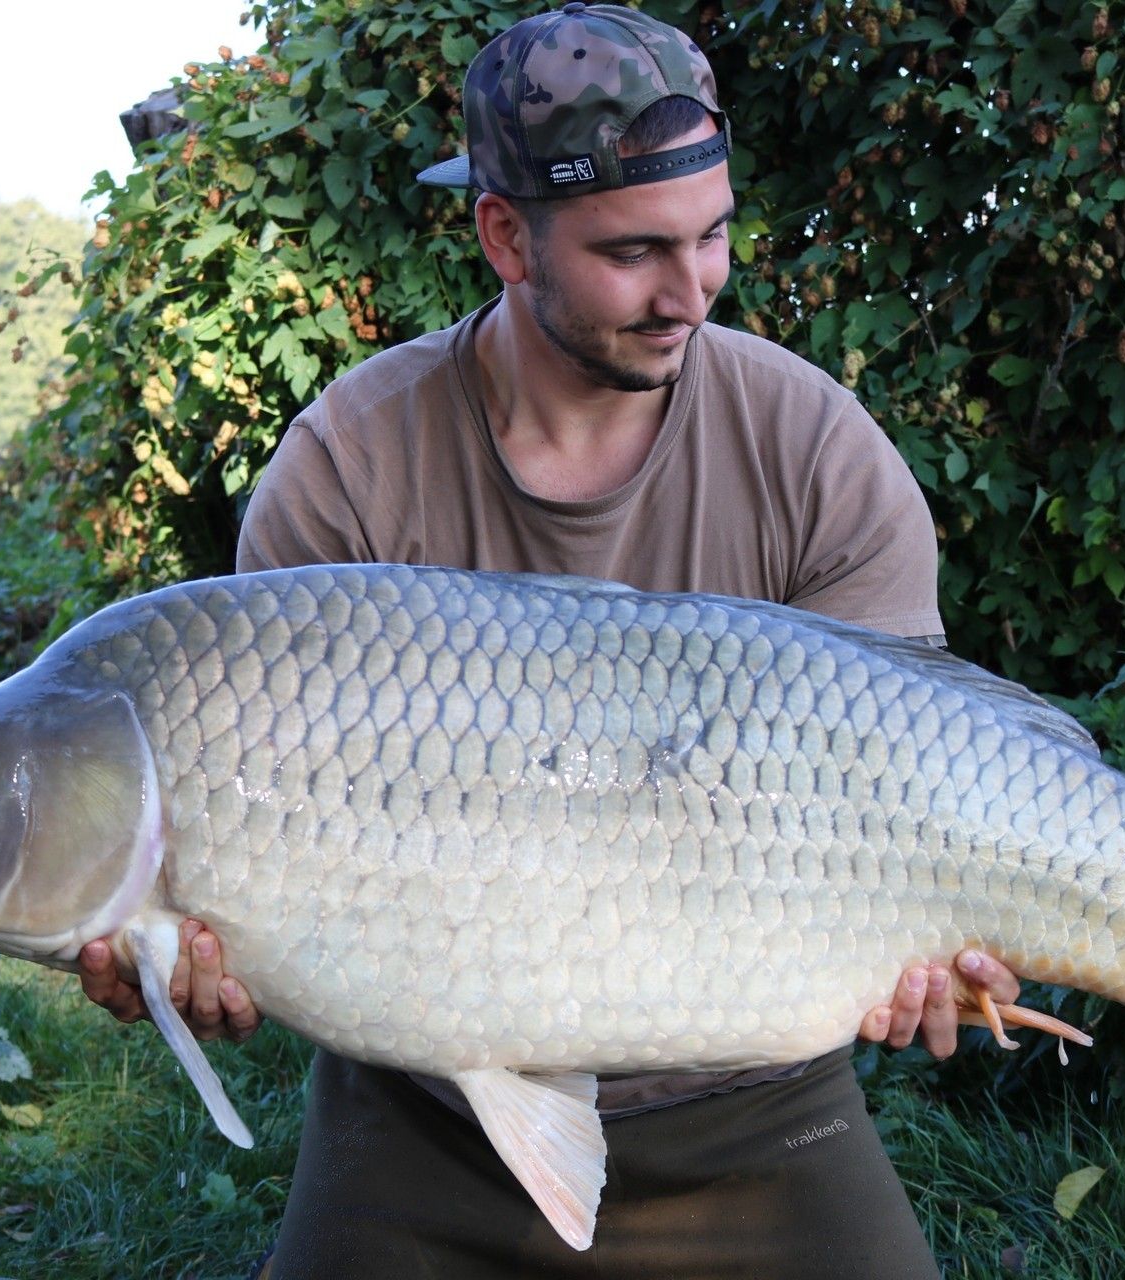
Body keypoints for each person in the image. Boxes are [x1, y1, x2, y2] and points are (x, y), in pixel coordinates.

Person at [79, 5, 1023, 1275]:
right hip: (421, 1110)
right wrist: (181, 940)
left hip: (757, 1106)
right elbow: (249, 869)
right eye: (635, 251)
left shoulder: (812, 447)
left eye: (714, 236)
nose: (691, 292)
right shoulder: (350, 468)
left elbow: (914, 771)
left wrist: (928, 948)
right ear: (506, 234)